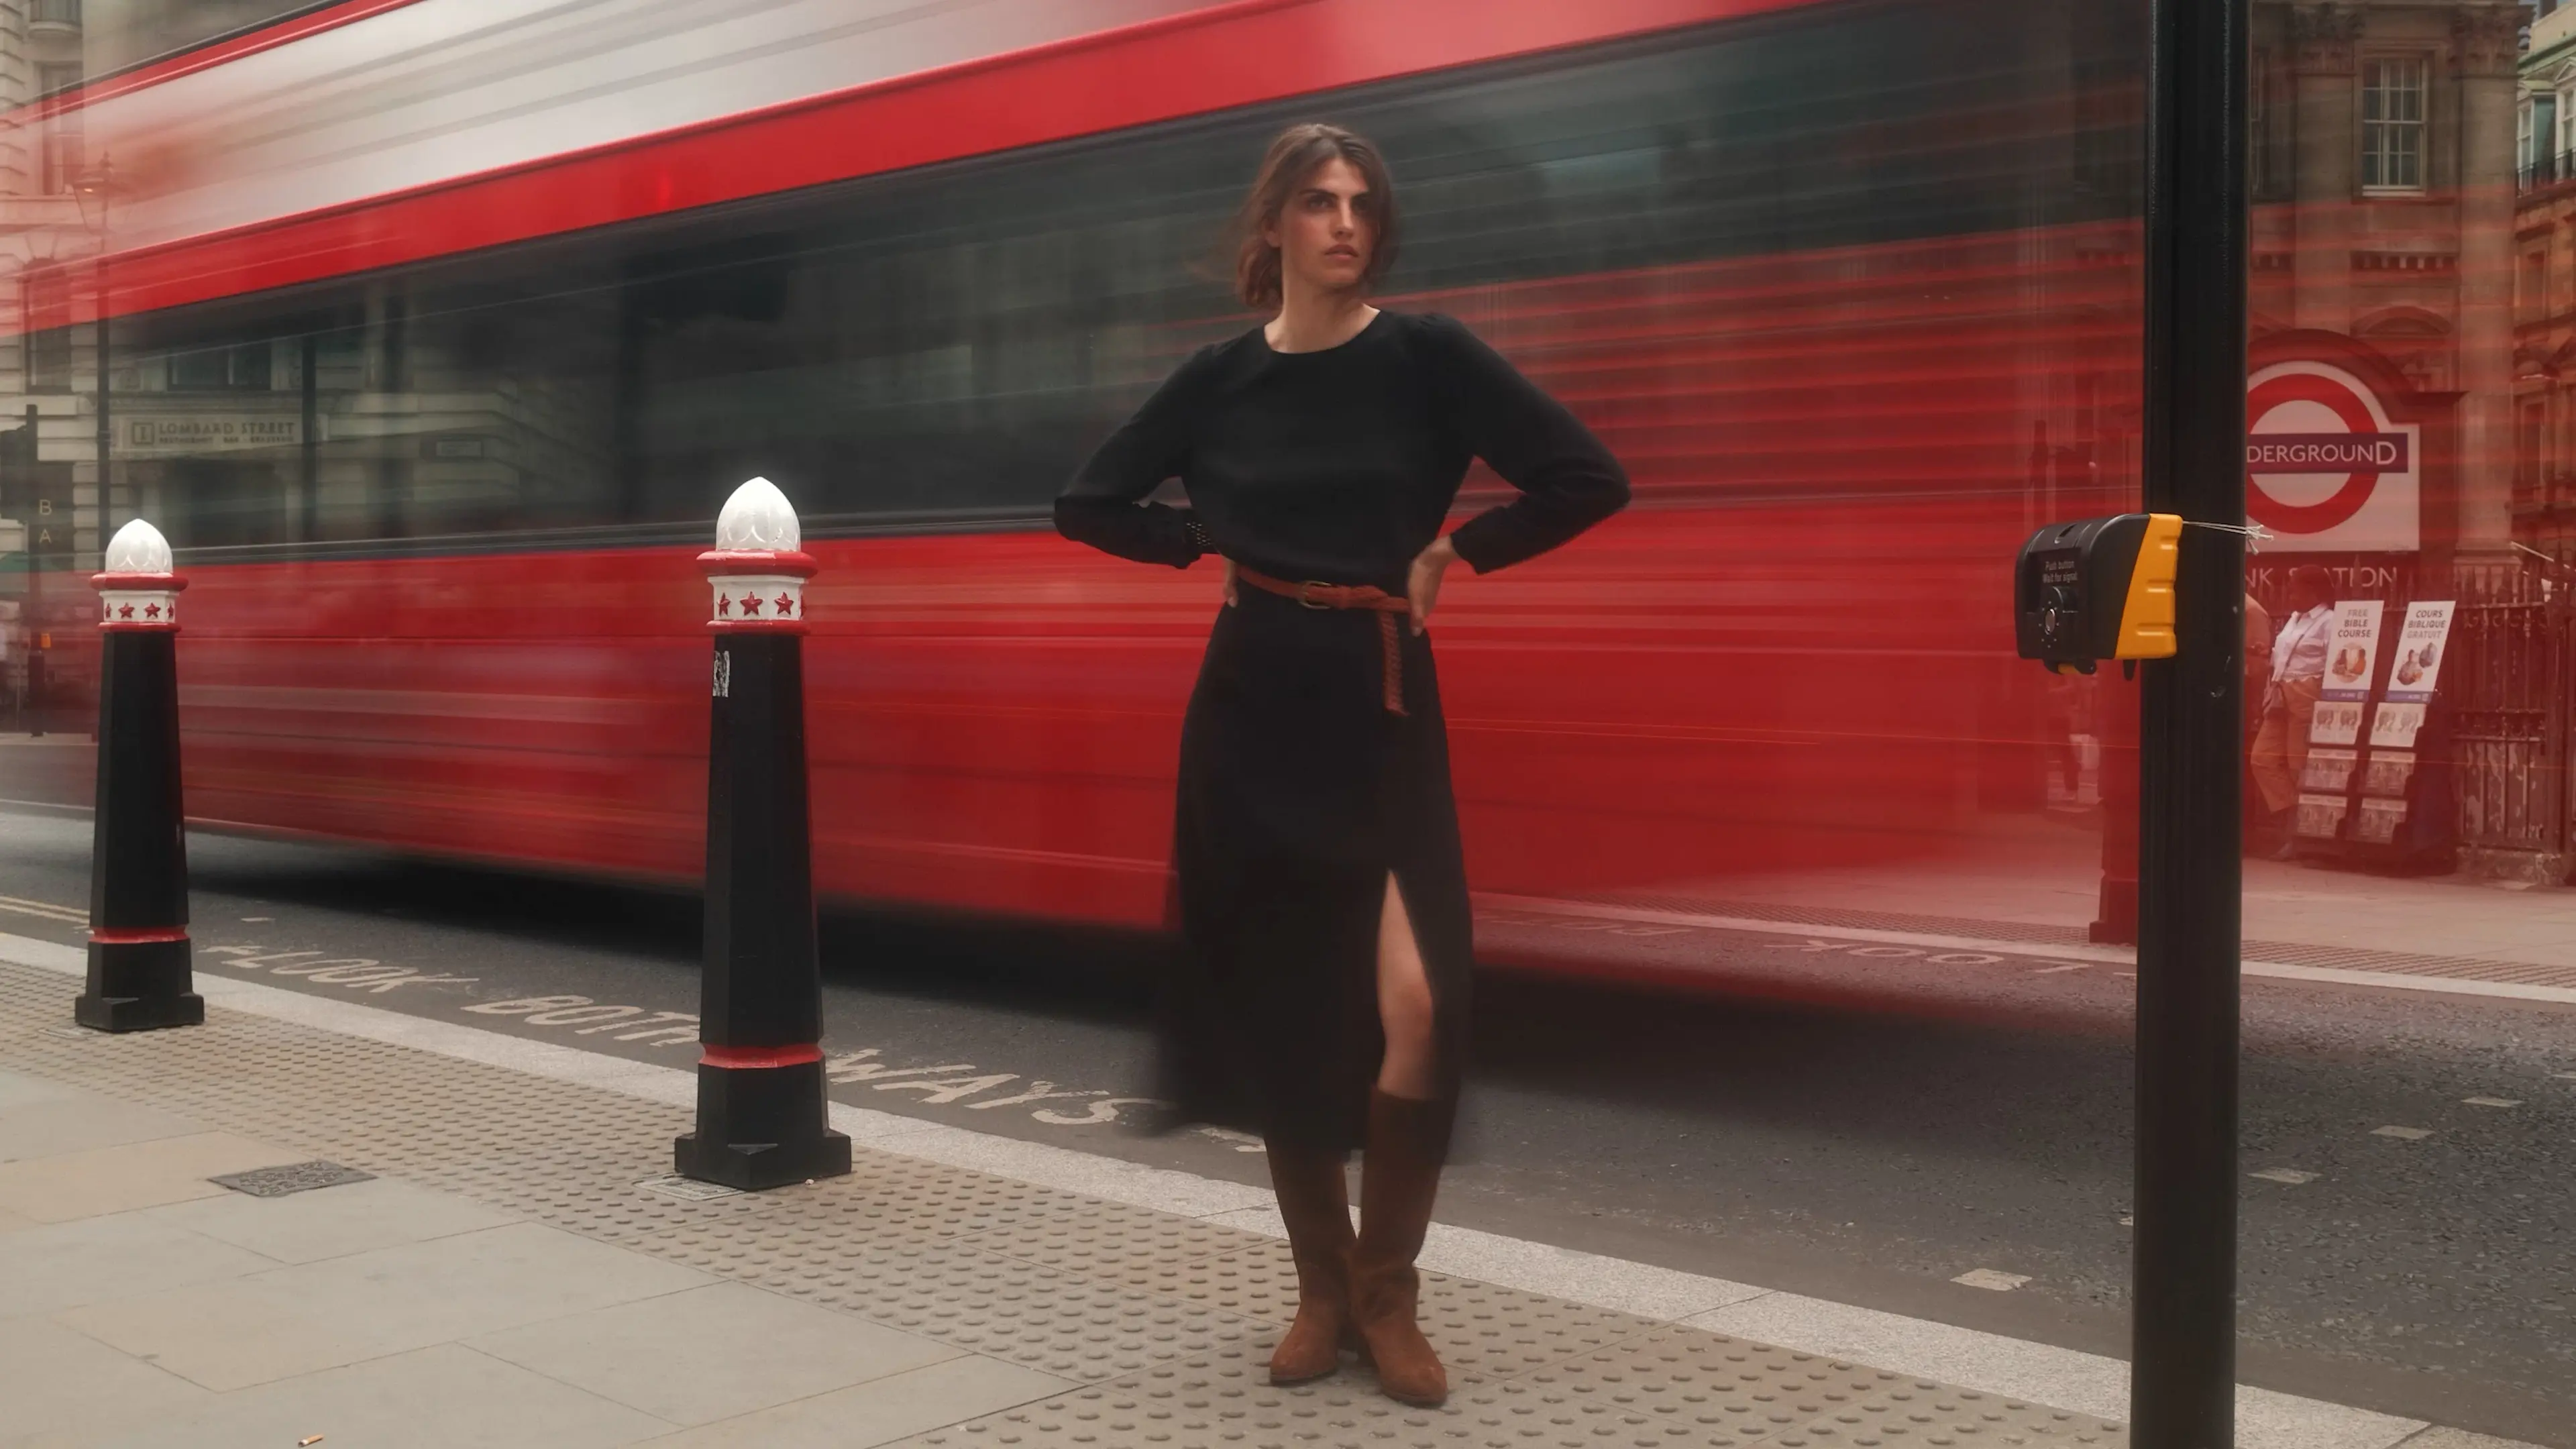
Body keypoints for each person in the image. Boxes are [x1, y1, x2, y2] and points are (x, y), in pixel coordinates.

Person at [1055, 123, 1627, 1406]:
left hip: (1380, 710)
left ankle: (1390, 1290)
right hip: (1251, 705)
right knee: (1286, 1010)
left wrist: (1460, 554)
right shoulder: (1214, 380)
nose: (1346, 223)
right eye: (1318, 202)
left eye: (1363, 203)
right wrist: (1203, 535)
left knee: (1414, 1010)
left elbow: (1588, 477)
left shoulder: (1428, 356)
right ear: (1274, 230)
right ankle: (1321, 1290)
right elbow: (1087, 503)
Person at [2251, 567, 2334, 857]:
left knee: (2298, 765)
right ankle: (2293, 818)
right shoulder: (2294, 620)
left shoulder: (2329, 621)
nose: (2290, 595)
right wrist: (2267, 653)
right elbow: (2286, 656)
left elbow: (2335, 661)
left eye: (2295, 590)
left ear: (2314, 592)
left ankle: (2299, 835)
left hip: (2306, 693)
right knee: (2262, 759)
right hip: (2280, 693)